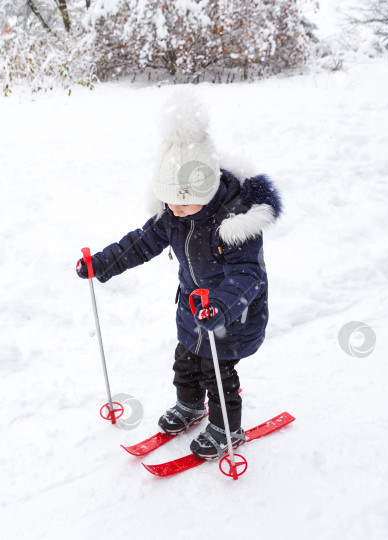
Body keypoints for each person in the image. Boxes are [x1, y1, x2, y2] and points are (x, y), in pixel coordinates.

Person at [75, 93, 283, 460]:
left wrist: (220, 307)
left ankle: (226, 429)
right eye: (168, 199)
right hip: (192, 310)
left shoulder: (235, 224)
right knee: (186, 361)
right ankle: (189, 407)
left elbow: (248, 276)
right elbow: (140, 243)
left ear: (206, 188)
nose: (175, 208)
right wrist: (103, 264)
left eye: (184, 200)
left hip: (232, 317)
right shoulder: (174, 215)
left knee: (218, 376)